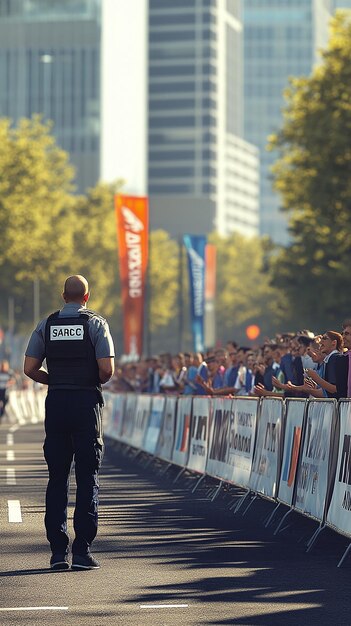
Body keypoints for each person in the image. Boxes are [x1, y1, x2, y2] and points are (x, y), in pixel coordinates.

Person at [24, 275, 115, 571]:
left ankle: (56, 553)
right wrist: (85, 380)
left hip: (57, 404)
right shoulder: (96, 324)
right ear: (86, 297)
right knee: (88, 476)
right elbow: (106, 370)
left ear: (63, 296)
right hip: (85, 403)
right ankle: (82, 552)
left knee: (57, 478)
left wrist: (57, 381)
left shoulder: (46, 324)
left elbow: (29, 368)